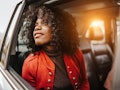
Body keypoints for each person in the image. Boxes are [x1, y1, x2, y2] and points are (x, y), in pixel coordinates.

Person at [22, 5, 90, 90]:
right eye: (36, 24)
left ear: (58, 27)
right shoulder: (30, 63)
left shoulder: (75, 52)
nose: (37, 28)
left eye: (45, 23)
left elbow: (84, 81)